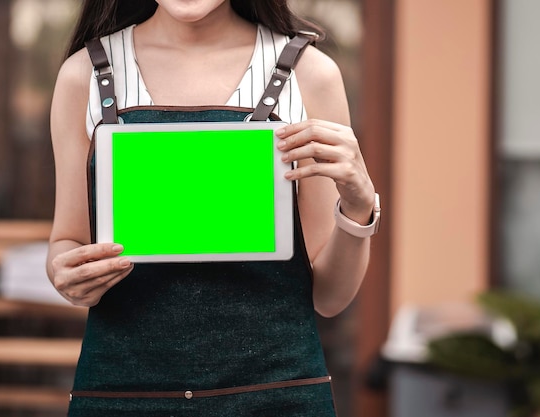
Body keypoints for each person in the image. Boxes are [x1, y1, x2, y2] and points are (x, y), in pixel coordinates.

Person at [47, 1, 379, 416]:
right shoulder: (83, 75)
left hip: (279, 396)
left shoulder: (310, 74)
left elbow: (329, 298)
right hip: (121, 394)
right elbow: (67, 240)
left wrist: (359, 204)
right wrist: (65, 273)